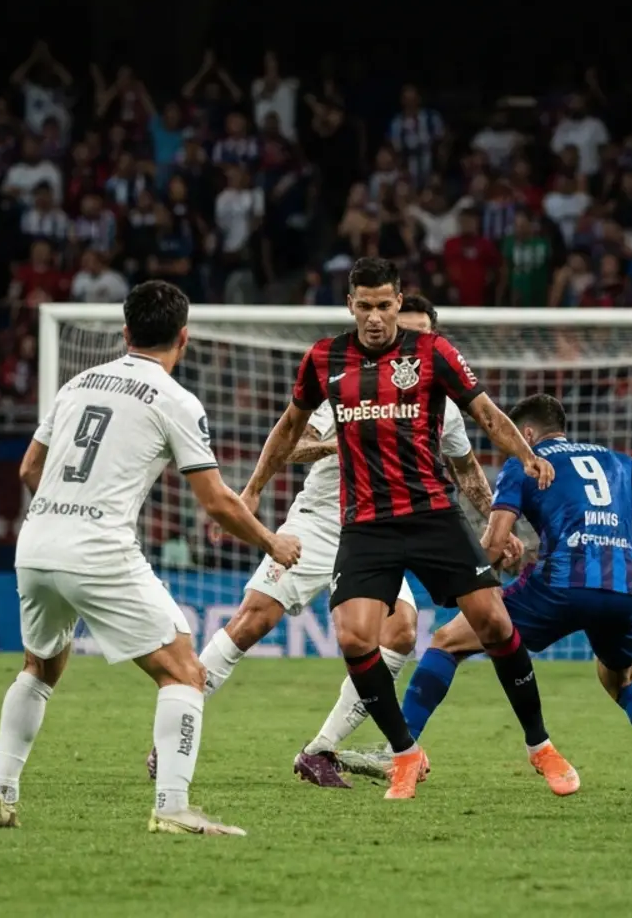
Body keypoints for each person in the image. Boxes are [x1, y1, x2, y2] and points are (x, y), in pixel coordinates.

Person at [241, 257, 576, 801]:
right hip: (366, 523)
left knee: (492, 622)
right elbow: (288, 427)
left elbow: (487, 415)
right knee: (354, 636)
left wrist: (525, 454)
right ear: (350, 305)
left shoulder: (431, 354)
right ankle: (404, 751)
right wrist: (254, 488)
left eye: (385, 304)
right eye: (364, 305)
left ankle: (541, 745)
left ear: (399, 302)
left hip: (429, 514)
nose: (375, 316)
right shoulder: (325, 358)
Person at [148, 294, 513, 789]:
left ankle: (319, 750)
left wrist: (498, 523)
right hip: (321, 519)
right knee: (253, 620)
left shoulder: (444, 405)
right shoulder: (349, 380)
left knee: (401, 631)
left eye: (413, 330)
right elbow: (294, 444)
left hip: (381, 529)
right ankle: (175, 731)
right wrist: (342, 434)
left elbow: (466, 471)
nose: (393, 334)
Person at [0, 280, 300, 837]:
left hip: (36, 542)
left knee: (39, 668)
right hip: (98, 547)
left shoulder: (76, 383)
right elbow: (216, 501)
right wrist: (273, 542)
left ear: (125, 332)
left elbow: (30, 469)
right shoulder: (175, 400)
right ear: (184, 338)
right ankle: (173, 807)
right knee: (185, 672)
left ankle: (1, 796)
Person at [399, 392, 632, 791]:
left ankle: (399, 748)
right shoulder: (617, 460)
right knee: (621, 681)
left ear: (526, 432)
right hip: (621, 589)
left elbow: (496, 543)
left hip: (561, 586)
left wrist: (465, 576)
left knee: (448, 641)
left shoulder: (525, 462)